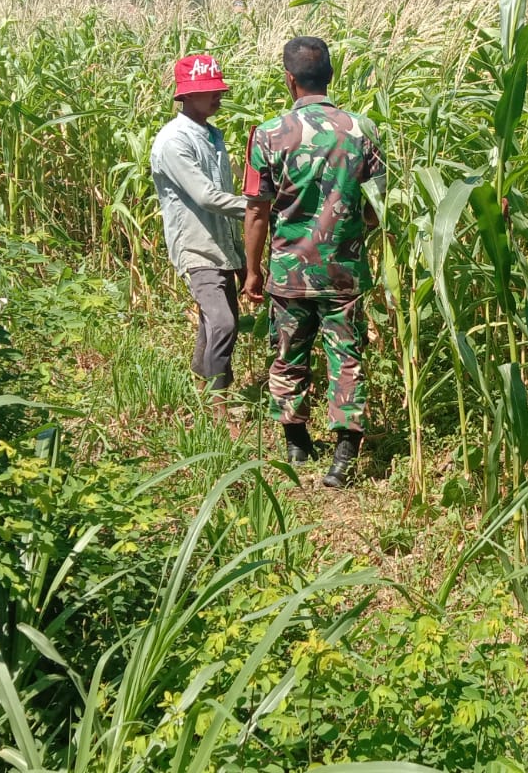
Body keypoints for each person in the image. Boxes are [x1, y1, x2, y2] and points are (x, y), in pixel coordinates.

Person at [242, 36, 385, 488]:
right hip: (343, 270)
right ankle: (343, 457)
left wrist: (252, 271)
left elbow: (256, 211)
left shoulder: (267, 133)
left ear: (289, 80)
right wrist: (352, 232)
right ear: (331, 77)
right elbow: (380, 203)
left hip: (288, 271)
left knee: (288, 357)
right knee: (346, 357)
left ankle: (297, 445)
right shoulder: (363, 130)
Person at [150, 53, 249, 433]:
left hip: (222, 244)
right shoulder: (174, 142)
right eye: (208, 93)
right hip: (197, 247)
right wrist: (259, 209)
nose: (217, 98)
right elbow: (207, 197)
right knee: (222, 323)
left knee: (216, 324)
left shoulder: (211, 135)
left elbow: (222, 189)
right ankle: (217, 407)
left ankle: (201, 392)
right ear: (186, 98)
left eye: (217, 91)